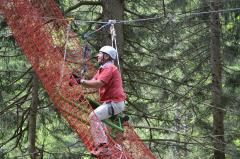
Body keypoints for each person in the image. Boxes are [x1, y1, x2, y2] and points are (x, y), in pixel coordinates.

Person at [70, 46, 126, 156]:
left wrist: (81, 81)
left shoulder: (109, 67)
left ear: (106, 56)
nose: (97, 56)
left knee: (93, 117)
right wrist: (79, 80)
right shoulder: (103, 68)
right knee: (99, 122)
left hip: (115, 103)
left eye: (100, 54)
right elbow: (92, 82)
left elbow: (98, 83)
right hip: (112, 103)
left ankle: (103, 147)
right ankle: (102, 145)